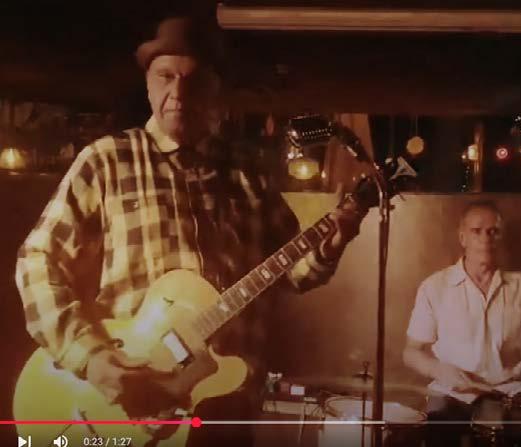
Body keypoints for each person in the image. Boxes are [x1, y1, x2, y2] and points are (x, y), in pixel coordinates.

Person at [15, 15, 364, 446]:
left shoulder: (248, 173)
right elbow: (37, 261)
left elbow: (290, 273)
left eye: (194, 81)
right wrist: (89, 357)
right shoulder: (107, 160)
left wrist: (331, 244)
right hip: (125, 398)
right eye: (166, 77)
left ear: (216, 91)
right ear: (148, 85)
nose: (178, 94)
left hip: (228, 406)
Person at [402, 200, 521, 447]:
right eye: (476, 231)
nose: (485, 238)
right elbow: (411, 352)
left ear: (501, 237)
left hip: (510, 393)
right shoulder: (434, 287)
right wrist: (440, 370)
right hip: (452, 394)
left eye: (493, 231)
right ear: (462, 238)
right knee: (439, 425)